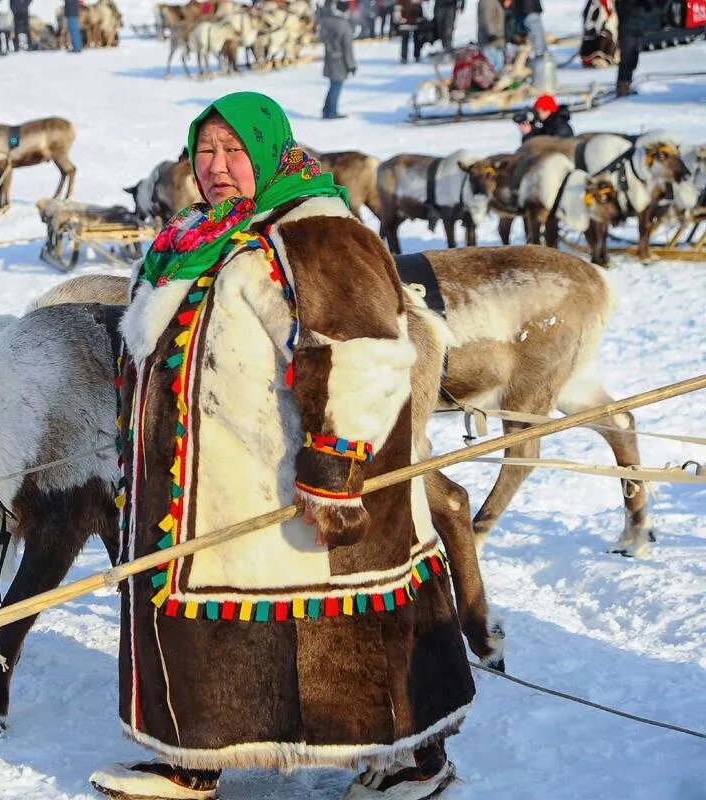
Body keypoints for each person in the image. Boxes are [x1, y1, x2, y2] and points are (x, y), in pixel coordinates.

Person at [90, 90, 476, 800]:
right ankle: (188, 759)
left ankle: (412, 763)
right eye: (204, 152)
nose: (216, 167)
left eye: (234, 150)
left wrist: (331, 471)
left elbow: (362, 355)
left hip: (299, 486)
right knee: (202, 621)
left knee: (353, 633)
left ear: (268, 149)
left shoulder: (315, 230)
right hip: (206, 489)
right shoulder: (199, 235)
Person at [616, 0, 662, 96]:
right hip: (627, 28)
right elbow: (622, 8)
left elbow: (650, 7)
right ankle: (622, 85)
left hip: (638, 27)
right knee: (627, 58)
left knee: (633, 58)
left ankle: (626, 83)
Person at [320, 0, 356, 119]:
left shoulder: (327, 21)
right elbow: (347, 48)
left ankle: (327, 110)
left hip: (329, 58)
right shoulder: (344, 25)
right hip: (340, 61)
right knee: (336, 86)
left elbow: (322, 37)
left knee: (332, 85)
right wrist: (351, 65)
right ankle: (332, 112)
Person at [511, 0, 544, 71]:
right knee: (535, 44)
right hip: (530, 12)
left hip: (525, 13)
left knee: (531, 46)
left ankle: (536, 68)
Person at [476, 0, 505, 70]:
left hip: (496, 42)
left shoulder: (493, 1)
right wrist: (492, 34)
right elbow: (486, 19)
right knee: (492, 69)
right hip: (490, 42)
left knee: (497, 69)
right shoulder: (487, 2)